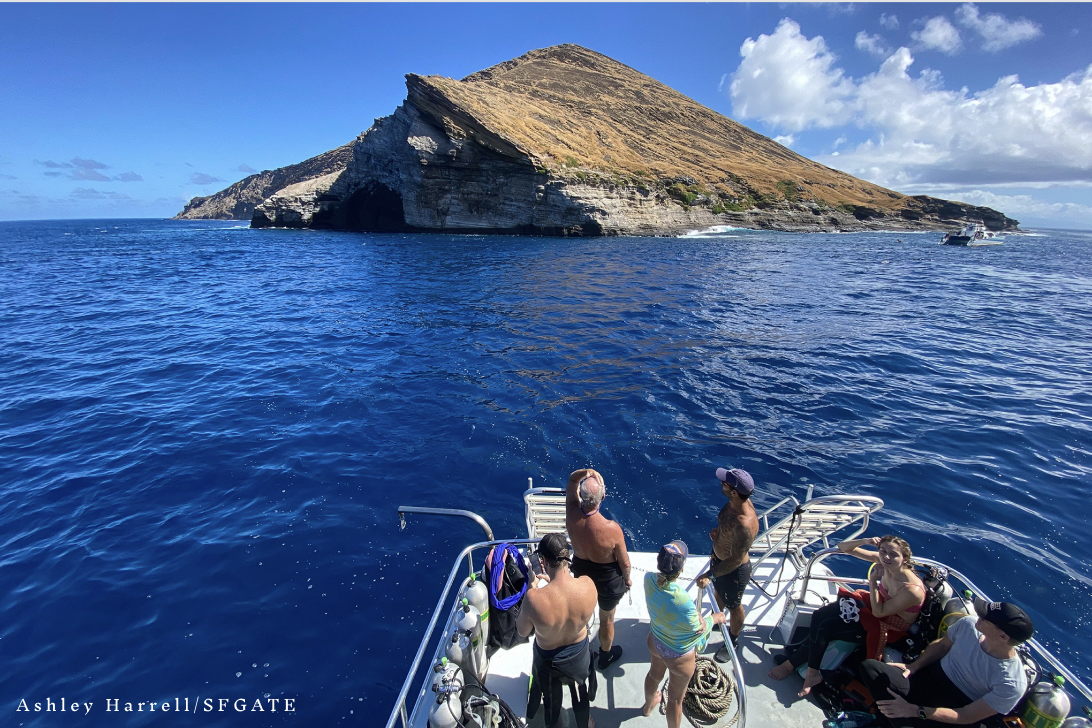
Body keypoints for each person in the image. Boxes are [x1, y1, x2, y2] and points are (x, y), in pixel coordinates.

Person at [768, 534, 926, 698]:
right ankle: (804, 669)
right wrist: (866, 541)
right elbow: (844, 547)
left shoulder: (911, 590)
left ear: (905, 558)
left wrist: (873, 581)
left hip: (891, 627)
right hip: (875, 608)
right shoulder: (883, 562)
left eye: (894, 554)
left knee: (826, 625)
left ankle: (796, 667)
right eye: (883, 551)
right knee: (821, 615)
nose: (886, 557)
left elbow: (880, 613)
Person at [859, 598, 1033, 726]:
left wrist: (914, 710)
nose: (978, 615)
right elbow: (941, 646)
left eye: (985, 617)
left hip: (956, 707)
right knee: (871, 669)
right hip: (928, 679)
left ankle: (897, 718)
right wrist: (914, 666)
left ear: (1003, 636)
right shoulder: (968, 624)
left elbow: (966, 715)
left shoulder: (1012, 683)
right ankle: (899, 719)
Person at [643, 540, 728, 728]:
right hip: (679, 657)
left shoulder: (648, 578)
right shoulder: (683, 599)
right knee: (674, 700)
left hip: (655, 641)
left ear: (659, 562)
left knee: (653, 675)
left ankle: (647, 707)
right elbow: (698, 630)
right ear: (680, 570)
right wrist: (714, 619)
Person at [518, 533, 600, 728]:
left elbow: (522, 631)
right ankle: (584, 722)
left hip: (548, 664)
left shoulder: (534, 599)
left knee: (551, 705)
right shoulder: (588, 585)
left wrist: (532, 588)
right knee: (580, 694)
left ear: (543, 561)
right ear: (568, 556)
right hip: (579, 658)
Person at [565, 468, 632, 670]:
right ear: (603, 497)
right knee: (607, 620)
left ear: (581, 496)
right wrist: (627, 580)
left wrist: (586, 471)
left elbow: (571, 480)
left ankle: (577, 652)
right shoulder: (611, 528)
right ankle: (605, 656)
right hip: (608, 582)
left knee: (581, 615)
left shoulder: (571, 513)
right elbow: (624, 563)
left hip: (582, 576)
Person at [695, 467, 759, 660]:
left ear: (733, 491)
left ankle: (733, 639)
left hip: (733, 571)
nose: (721, 483)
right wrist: (719, 533)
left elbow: (736, 560)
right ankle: (717, 620)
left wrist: (710, 574)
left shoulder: (744, 523)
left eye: (725, 482)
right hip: (718, 560)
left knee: (735, 606)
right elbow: (727, 527)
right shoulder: (734, 502)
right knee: (718, 594)